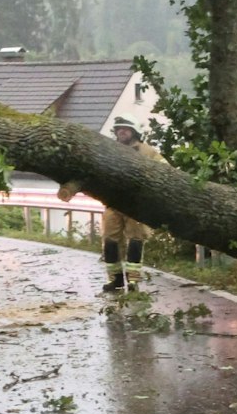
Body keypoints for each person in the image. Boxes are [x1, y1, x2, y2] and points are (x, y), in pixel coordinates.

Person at [59, 117, 162, 293]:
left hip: (136, 205)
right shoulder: (110, 150)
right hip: (113, 204)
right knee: (110, 241)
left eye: (126, 129)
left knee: (136, 240)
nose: (122, 132)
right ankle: (115, 280)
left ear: (135, 132)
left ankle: (133, 281)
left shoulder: (147, 152)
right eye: (119, 129)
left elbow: (165, 171)